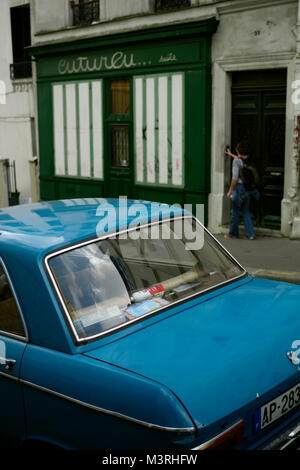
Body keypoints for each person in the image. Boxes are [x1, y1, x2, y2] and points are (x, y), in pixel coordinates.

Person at [224, 143, 255, 240]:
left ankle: (232, 233)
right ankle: (250, 234)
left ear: (238, 151)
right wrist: (231, 154)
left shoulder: (236, 162)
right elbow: (239, 159)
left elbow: (234, 178)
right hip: (248, 188)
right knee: (246, 211)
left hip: (239, 188)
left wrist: (230, 191)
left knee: (235, 211)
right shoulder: (247, 159)